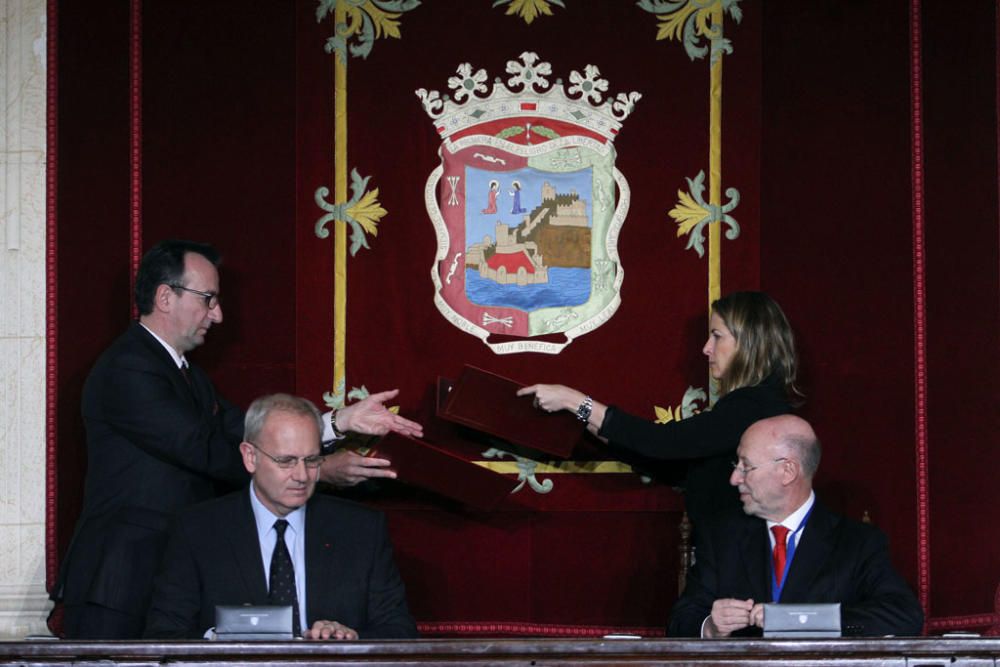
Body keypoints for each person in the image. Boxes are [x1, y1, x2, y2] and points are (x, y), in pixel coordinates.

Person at [54, 239, 422, 639]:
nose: (219, 315)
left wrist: (340, 422)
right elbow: (206, 450)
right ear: (164, 296)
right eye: (208, 299)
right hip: (121, 583)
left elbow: (246, 428)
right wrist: (322, 469)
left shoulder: (186, 373)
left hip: (164, 577)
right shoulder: (128, 368)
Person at [144, 394, 417, 640]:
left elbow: (400, 632)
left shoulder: (362, 530)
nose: (301, 475)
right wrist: (221, 639)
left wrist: (351, 638)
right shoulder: (197, 530)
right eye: (286, 461)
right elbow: (163, 636)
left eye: (311, 460)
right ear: (250, 457)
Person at [517, 291, 800, 528]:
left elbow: (663, 443)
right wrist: (580, 416)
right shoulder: (756, 404)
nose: (706, 349)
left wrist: (573, 401)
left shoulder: (754, 407)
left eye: (716, 336)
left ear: (749, 342)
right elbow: (661, 460)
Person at [669, 415, 924, 637]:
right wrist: (711, 626)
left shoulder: (857, 542)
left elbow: (904, 615)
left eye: (746, 466)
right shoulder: (722, 537)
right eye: (736, 465)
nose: (734, 478)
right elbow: (680, 622)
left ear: (787, 471)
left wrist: (803, 620)